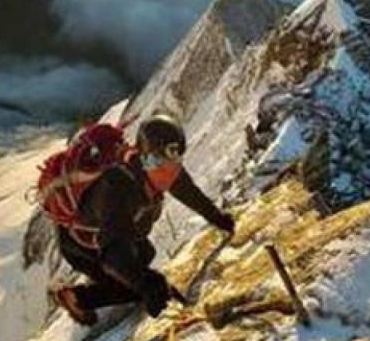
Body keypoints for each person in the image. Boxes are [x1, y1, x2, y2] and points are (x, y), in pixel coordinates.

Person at [51, 114, 235, 325]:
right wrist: (147, 283)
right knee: (132, 288)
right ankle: (75, 297)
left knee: (145, 254)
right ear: (146, 158)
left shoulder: (160, 165)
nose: (170, 171)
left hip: (114, 227)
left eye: (175, 160)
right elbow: (113, 254)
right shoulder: (118, 187)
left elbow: (188, 192)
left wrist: (218, 218)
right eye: (161, 162)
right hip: (81, 244)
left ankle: (105, 279)